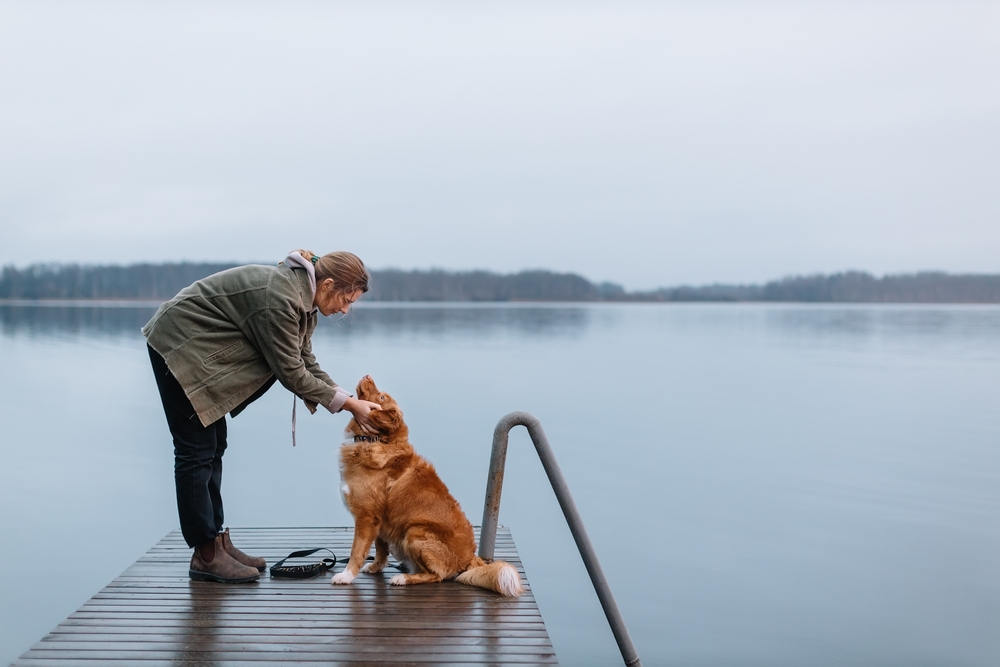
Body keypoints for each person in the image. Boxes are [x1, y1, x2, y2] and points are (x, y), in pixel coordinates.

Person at [143, 250, 381, 583]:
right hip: (179, 344)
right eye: (346, 299)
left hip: (201, 351)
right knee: (196, 450)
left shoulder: (304, 303)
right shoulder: (281, 299)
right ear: (327, 284)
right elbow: (291, 372)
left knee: (214, 444)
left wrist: (350, 399)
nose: (345, 309)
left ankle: (216, 542)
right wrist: (350, 406)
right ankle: (206, 554)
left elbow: (305, 361)